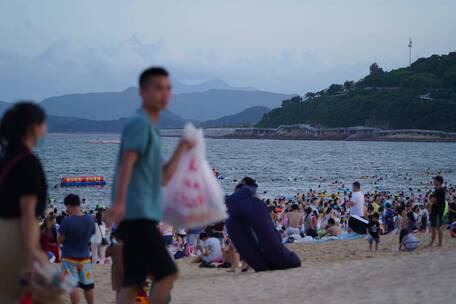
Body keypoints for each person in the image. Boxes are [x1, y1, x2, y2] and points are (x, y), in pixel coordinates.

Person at [109, 67, 193, 304]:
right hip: (137, 214)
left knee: (133, 281)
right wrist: (120, 202)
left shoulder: (151, 129)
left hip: (140, 214)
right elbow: (127, 161)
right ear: (143, 92)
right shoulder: (141, 123)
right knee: (167, 274)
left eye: (168, 88)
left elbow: (163, 178)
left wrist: (182, 148)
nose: (164, 94)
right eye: (158, 88)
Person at [0, 102, 62, 303]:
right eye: (43, 124)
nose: (45, 130)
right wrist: (33, 249)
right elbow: (28, 212)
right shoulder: (29, 163)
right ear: (32, 128)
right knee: (55, 293)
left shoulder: (5, 160)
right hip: (17, 237)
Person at [58, 194, 96, 304]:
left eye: (66, 207)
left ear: (69, 205)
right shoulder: (90, 219)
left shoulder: (67, 221)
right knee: (88, 286)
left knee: (72, 286)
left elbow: (60, 240)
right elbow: (91, 234)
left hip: (69, 257)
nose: (66, 210)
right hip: (85, 257)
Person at [428, 176, 445, 247]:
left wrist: (430, 200)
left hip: (438, 211)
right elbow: (432, 200)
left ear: (438, 182)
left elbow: (433, 201)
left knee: (438, 227)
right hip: (435, 211)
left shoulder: (440, 190)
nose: (433, 181)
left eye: (435, 180)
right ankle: (432, 242)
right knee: (433, 226)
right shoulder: (436, 190)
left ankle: (440, 242)